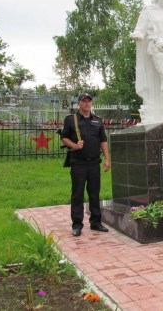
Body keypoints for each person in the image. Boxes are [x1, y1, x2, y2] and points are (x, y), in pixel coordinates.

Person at [60, 93, 111, 237]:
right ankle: (77, 225)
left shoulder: (98, 121)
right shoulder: (71, 120)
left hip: (94, 162)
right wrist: (75, 146)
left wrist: (107, 159)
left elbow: (103, 141)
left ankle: (95, 222)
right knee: (77, 194)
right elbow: (63, 137)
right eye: (84, 101)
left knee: (94, 193)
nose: (87, 103)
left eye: (89, 101)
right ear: (79, 104)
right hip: (79, 163)